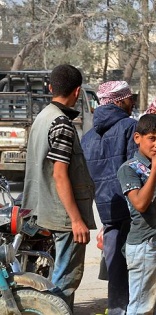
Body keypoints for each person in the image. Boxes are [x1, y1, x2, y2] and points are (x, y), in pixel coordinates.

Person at [22, 64, 96, 310]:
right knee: (65, 280)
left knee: (54, 277)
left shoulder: (43, 117)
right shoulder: (61, 123)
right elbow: (60, 175)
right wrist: (76, 219)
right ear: (77, 91)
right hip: (63, 215)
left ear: (51, 88)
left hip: (44, 210)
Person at [81, 80, 137, 315]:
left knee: (116, 263)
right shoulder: (130, 127)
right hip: (133, 206)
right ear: (121, 101)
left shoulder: (88, 136)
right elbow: (137, 170)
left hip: (107, 210)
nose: (133, 102)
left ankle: (117, 309)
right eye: (130, 98)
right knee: (137, 266)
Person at [117, 114, 156, 314]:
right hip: (146, 246)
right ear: (137, 138)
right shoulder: (129, 169)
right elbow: (141, 204)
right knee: (141, 308)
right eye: (152, 138)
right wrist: (154, 172)